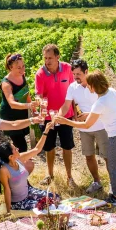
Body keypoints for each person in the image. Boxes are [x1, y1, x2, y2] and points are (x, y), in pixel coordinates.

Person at [53, 70, 116, 207]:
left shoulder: (99, 103)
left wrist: (66, 122)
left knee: (113, 165)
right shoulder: (111, 92)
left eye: (89, 85)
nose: (88, 87)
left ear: (94, 86)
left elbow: (86, 124)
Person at [58, 59, 108, 194]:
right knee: (89, 155)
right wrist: (58, 116)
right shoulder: (72, 87)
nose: (75, 77)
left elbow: (104, 104)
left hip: (101, 125)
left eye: (78, 74)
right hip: (84, 128)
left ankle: (114, 184)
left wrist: (89, 115)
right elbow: (66, 105)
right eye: (74, 74)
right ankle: (97, 181)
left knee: (107, 156)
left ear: (86, 71)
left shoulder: (96, 85)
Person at [35, 44, 77, 188]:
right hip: (48, 117)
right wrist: (40, 102)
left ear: (58, 57)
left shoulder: (67, 68)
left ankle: (69, 177)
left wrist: (76, 112)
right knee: (49, 147)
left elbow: (73, 91)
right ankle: (50, 174)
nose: (47, 61)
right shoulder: (40, 73)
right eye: (45, 58)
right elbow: (38, 95)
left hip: (66, 115)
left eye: (50, 58)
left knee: (67, 146)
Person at [0, 122, 59, 212]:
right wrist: (8, 211)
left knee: (54, 197)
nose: (17, 149)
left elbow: (37, 149)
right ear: (11, 157)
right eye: (15, 149)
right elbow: (7, 190)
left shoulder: (19, 158)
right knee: (44, 207)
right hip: (19, 202)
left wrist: (46, 131)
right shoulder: (4, 170)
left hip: (29, 192)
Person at [0, 53, 38, 152]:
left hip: (22, 112)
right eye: (18, 67)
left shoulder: (22, 75)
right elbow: (12, 104)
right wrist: (28, 105)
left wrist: (33, 109)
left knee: (20, 142)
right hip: (10, 116)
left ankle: (17, 162)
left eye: (23, 66)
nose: (22, 69)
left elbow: (26, 93)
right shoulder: (6, 83)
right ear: (11, 67)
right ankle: (19, 164)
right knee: (22, 146)